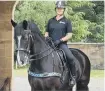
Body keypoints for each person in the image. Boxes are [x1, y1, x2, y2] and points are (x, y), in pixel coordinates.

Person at [45, 1, 77, 85]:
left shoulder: (67, 21)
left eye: (61, 8)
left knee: (71, 58)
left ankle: (73, 77)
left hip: (61, 44)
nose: (59, 10)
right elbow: (46, 32)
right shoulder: (50, 20)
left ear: (63, 10)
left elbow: (69, 35)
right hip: (50, 44)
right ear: (56, 9)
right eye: (58, 8)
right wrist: (46, 37)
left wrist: (60, 40)